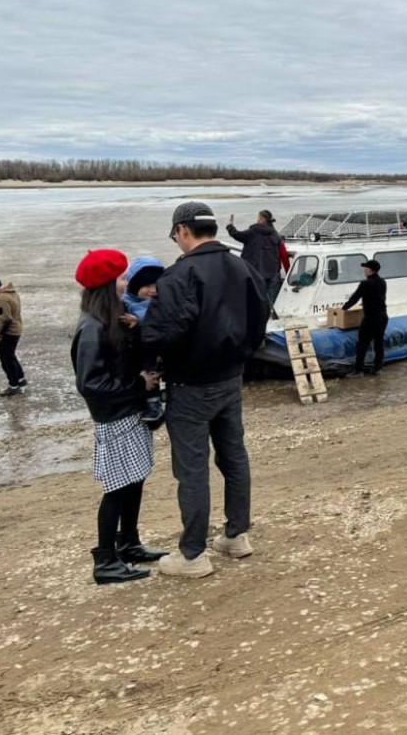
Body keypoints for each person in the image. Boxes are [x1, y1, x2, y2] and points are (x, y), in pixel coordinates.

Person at [141, 202, 270, 579]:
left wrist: (148, 354)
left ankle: (193, 553)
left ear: (182, 231)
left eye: (175, 235)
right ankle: (236, 535)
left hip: (191, 384)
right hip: (231, 378)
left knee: (192, 469)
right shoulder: (241, 265)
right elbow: (260, 316)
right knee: (233, 456)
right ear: (212, 228)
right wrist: (242, 355)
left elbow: (164, 333)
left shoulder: (180, 275)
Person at [72, 249, 168, 585]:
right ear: (107, 284)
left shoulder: (113, 318)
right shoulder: (92, 327)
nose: (126, 283)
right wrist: (137, 384)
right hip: (114, 417)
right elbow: (90, 384)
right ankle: (105, 560)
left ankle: (128, 543)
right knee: (116, 487)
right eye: (122, 278)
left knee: (135, 480)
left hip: (129, 412)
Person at [122, 257, 167, 425]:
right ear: (133, 285)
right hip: (136, 352)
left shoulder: (162, 302)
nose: (152, 290)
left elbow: (162, 321)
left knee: (152, 373)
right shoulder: (125, 302)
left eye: (156, 286)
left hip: (155, 352)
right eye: (146, 286)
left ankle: (154, 404)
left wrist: (140, 322)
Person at [226, 210, 285, 311]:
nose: (257, 220)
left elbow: (237, 235)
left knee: (253, 298)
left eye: (258, 218)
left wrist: (230, 226)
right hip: (272, 271)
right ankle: (270, 313)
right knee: (270, 299)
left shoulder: (253, 232)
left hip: (255, 271)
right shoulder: (275, 234)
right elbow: (281, 251)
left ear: (262, 219)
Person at [343, 259, 388, 376]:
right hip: (383, 317)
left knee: (362, 344)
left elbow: (355, 298)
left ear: (370, 270)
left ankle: (358, 370)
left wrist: (343, 309)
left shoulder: (365, 284)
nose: (364, 270)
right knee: (379, 343)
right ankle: (378, 368)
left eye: (366, 268)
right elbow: (377, 297)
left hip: (371, 318)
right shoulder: (383, 282)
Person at [0, 276, 27, 396]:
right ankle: (20, 379)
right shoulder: (11, 293)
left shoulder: (1, 299)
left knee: (6, 360)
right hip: (16, 329)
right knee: (10, 356)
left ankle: (13, 385)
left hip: (8, 332)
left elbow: (5, 318)